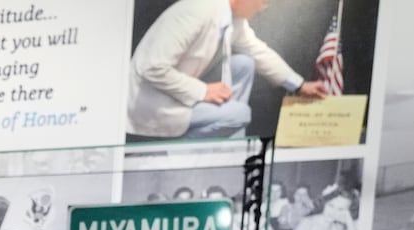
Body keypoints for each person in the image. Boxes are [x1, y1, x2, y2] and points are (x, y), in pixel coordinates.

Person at [126, 0, 326, 140]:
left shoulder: (231, 18)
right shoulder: (195, 12)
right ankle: (180, 151)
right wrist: (203, 91)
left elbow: (259, 52)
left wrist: (298, 85)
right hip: (153, 104)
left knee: (244, 64)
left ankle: (225, 141)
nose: (263, 8)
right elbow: (152, 68)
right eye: (263, 1)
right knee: (239, 115)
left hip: (179, 90)